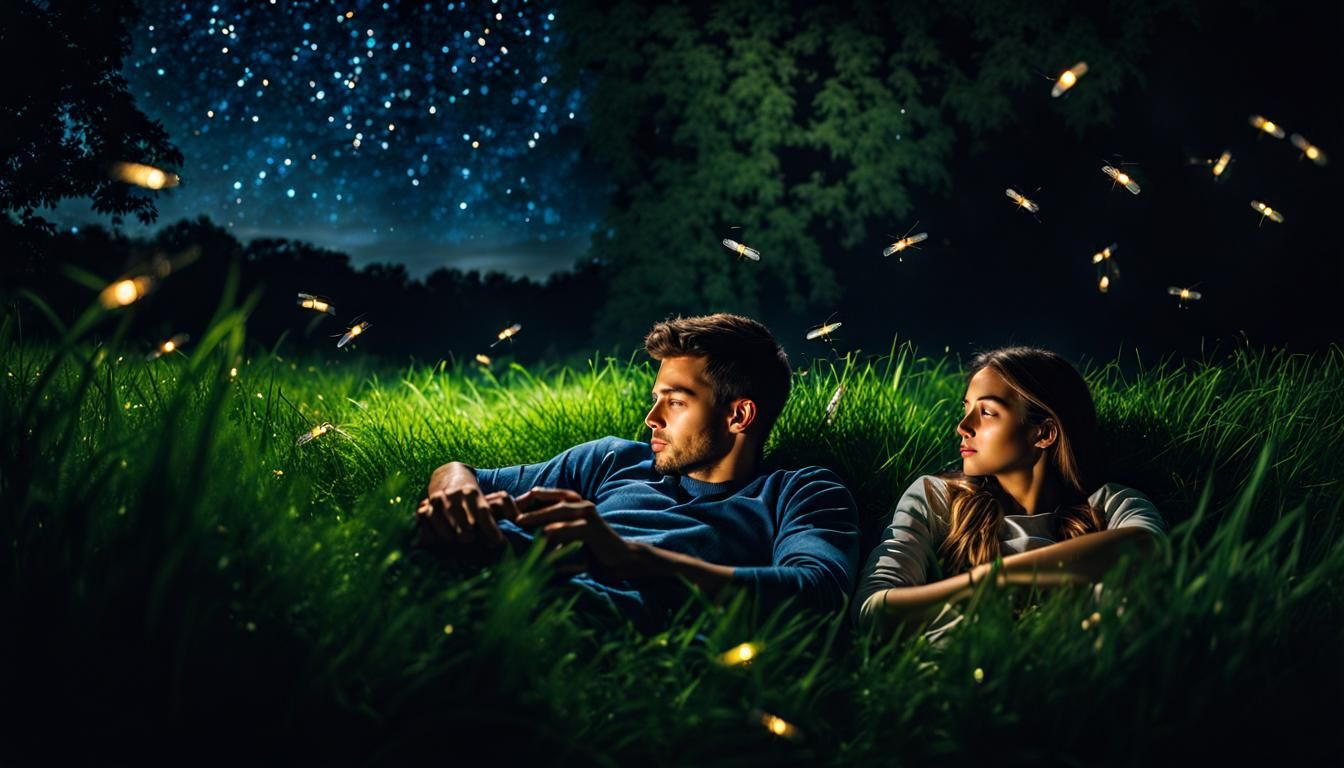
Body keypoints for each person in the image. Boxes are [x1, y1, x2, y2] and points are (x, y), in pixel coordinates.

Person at [414, 313, 860, 629]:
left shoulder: (801, 492)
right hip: (530, 572)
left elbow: (818, 593)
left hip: (622, 620)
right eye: (655, 398)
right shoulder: (612, 460)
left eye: (676, 401)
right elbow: (468, 474)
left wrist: (630, 557)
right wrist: (454, 487)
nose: (652, 418)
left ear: (739, 416)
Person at [853, 346, 1166, 637]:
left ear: (1042, 433)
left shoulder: (1111, 504)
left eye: (987, 412)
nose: (963, 426)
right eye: (966, 408)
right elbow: (872, 608)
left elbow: (1148, 549)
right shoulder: (938, 498)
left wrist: (996, 582)